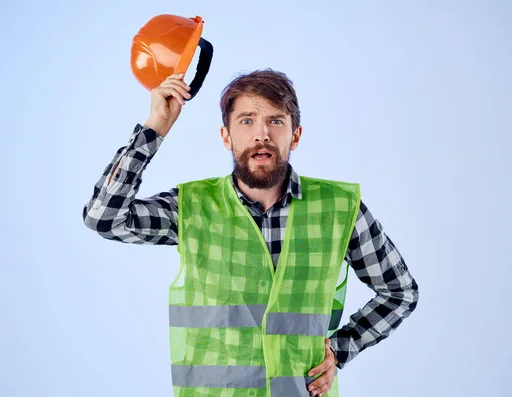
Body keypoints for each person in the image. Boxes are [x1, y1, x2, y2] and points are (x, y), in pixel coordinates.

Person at [83, 69, 419, 397]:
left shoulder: (340, 208)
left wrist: (342, 349)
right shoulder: (191, 207)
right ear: (226, 136)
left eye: (276, 121)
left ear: (295, 135)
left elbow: (400, 292)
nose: (262, 135)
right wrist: (155, 127)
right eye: (246, 121)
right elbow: (103, 217)